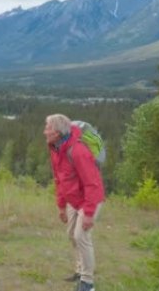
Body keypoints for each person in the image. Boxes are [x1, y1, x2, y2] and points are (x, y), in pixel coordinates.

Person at [44, 114, 105, 291]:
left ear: (57, 132)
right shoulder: (55, 148)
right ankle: (80, 271)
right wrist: (61, 206)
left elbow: (92, 184)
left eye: (47, 128)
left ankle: (87, 283)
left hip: (89, 200)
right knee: (72, 235)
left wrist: (89, 213)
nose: (44, 132)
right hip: (73, 200)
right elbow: (59, 179)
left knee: (81, 236)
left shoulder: (78, 151)